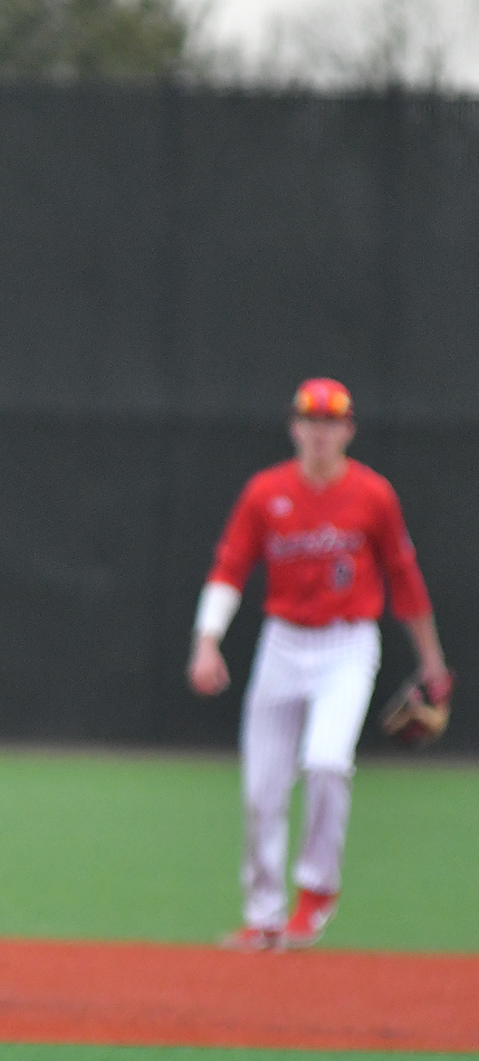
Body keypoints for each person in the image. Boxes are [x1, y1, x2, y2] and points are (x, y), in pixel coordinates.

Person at [187, 377, 450, 952]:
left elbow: (404, 578)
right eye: (311, 420)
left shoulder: (373, 495)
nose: (321, 431)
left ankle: (317, 888)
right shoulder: (266, 492)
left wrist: (432, 660)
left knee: (327, 762)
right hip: (283, 645)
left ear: (349, 430)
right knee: (262, 789)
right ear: (294, 426)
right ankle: (263, 915)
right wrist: (207, 642)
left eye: (332, 421)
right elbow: (230, 568)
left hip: (347, 646)